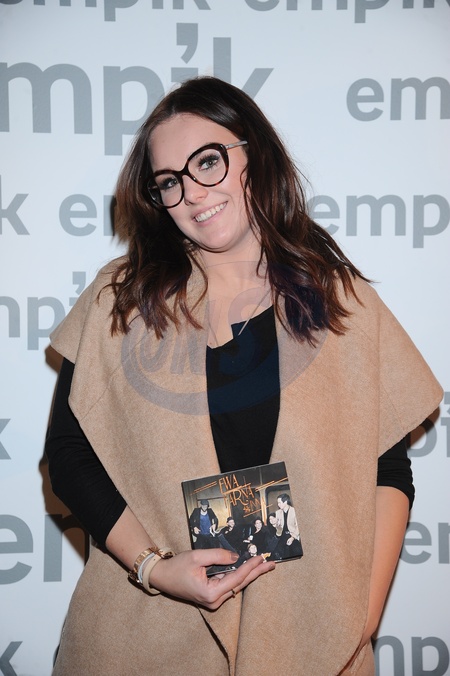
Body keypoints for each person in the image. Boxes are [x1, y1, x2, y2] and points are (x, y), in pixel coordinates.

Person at [44, 75, 442, 675]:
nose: (192, 193)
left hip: (309, 637)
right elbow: (70, 456)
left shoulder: (339, 301)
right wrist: (155, 569)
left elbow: (387, 469)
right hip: (145, 636)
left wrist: (360, 619)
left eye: (208, 162)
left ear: (255, 154)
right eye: (169, 182)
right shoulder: (120, 300)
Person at [275, 493, 303, 558]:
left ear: (285, 502)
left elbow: (298, 526)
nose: (278, 505)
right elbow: (278, 530)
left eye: (279, 503)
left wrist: (292, 538)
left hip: (293, 535)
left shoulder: (294, 511)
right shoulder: (278, 513)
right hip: (282, 536)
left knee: (296, 551)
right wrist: (277, 526)